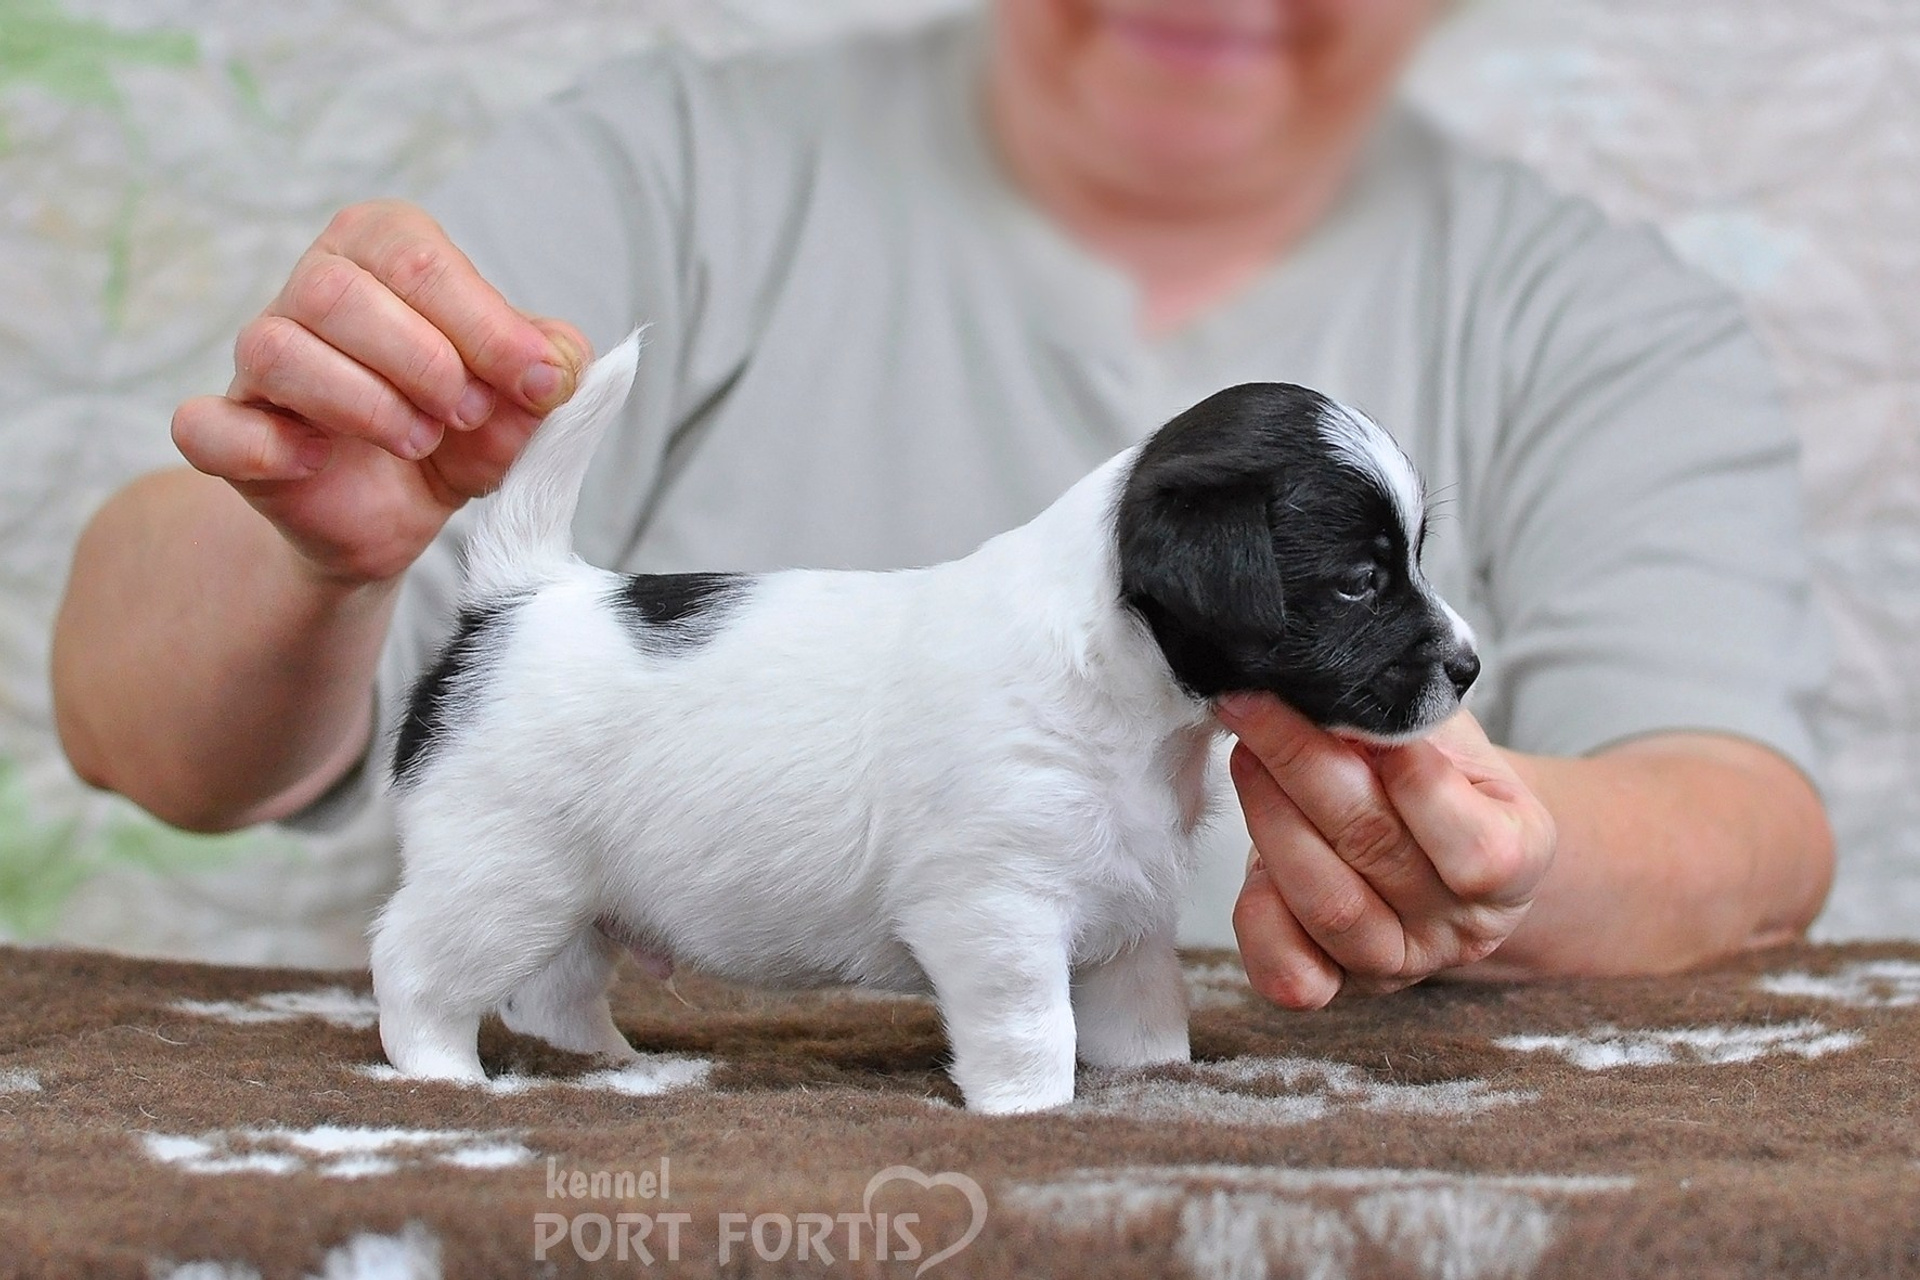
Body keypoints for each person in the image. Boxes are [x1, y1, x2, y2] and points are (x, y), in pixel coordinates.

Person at [50, 0, 1833, 1008]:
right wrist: (308, 546)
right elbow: (135, 722)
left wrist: (1492, 859)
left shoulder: (1600, 313)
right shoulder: (674, 166)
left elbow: (1749, 829)